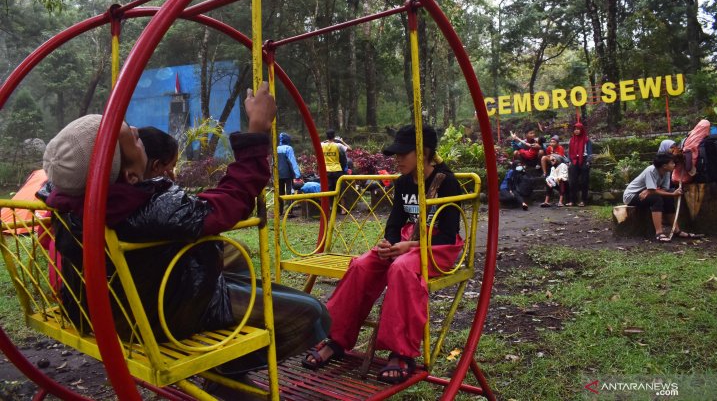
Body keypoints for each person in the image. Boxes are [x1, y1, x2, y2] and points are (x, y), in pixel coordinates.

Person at [39, 82, 330, 374]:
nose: (139, 132)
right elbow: (230, 202)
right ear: (130, 175)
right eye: (136, 139)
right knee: (313, 313)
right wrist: (256, 132)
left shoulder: (68, 198)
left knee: (231, 255)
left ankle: (229, 324)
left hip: (100, 306)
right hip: (158, 316)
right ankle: (225, 367)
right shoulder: (148, 208)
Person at [301, 124, 462, 385]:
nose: (397, 159)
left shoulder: (447, 182)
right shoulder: (403, 183)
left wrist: (408, 248)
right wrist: (391, 244)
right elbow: (395, 222)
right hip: (408, 242)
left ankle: (401, 354)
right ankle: (337, 338)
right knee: (362, 264)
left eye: (403, 154)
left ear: (424, 152)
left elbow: (449, 233)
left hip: (438, 248)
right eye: (395, 154)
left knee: (402, 268)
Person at [623, 152, 703, 242]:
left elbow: (663, 189)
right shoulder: (651, 170)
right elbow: (653, 190)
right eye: (672, 163)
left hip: (646, 194)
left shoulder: (666, 172)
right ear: (664, 165)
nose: (674, 165)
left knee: (667, 198)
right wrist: (670, 193)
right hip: (632, 196)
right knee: (657, 199)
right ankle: (659, 233)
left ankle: (676, 230)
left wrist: (651, 191)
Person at [672, 119, 711, 184]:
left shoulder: (688, 137)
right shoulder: (700, 141)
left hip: (681, 174)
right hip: (688, 175)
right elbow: (688, 166)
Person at [566, 122, 593, 207]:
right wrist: (569, 161)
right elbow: (569, 151)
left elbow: (589, 151)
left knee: (584, 181)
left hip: (584, 159)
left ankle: (583, 201)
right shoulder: (572, 139)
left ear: (581, 130)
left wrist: (588, 161)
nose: (576, 131)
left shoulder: (586, 139)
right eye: (575, 129)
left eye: (578, 129)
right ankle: (572, 200)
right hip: (574, 160)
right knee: (572, 181)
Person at [276, 132, 302, 216]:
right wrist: (297, 174)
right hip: (287, 173)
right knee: (289, 191)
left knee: (280, 192)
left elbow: (273, 162)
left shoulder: (276, 148)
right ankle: (289, 211)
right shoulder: (288, 148)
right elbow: (292, 161)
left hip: (278, 174)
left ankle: (279, 211)